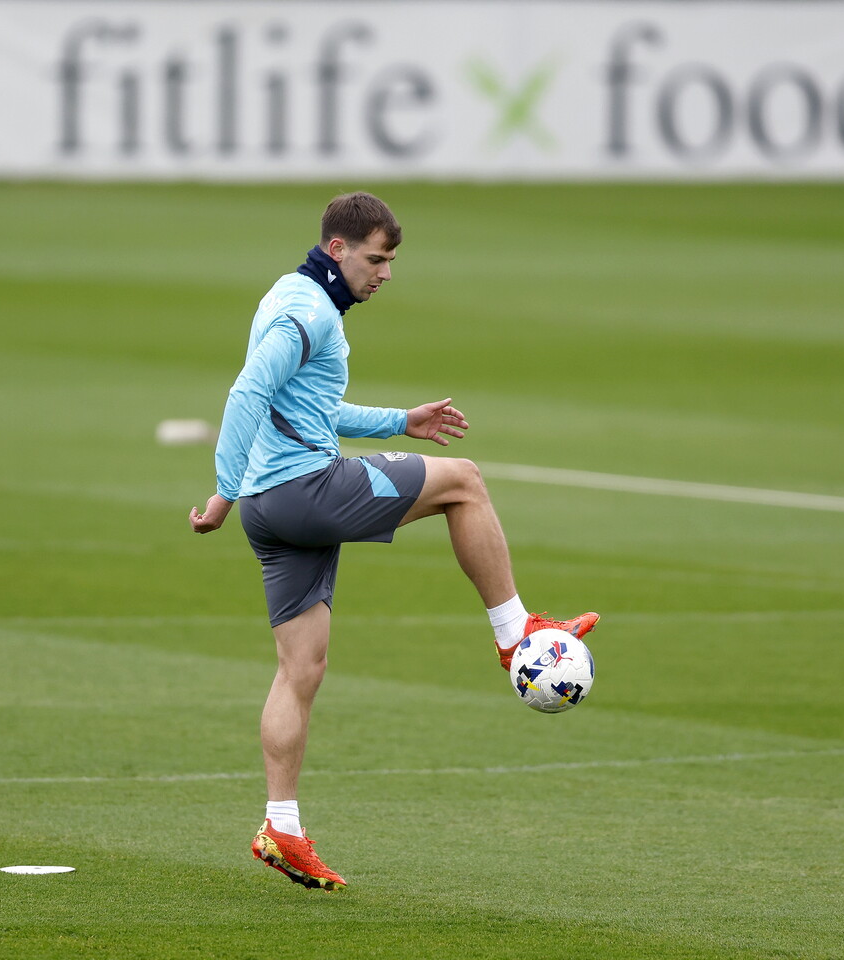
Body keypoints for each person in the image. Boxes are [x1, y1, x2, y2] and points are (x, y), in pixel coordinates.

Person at [189, 191, 598, 891]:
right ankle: (515, 635)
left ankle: (281, 827)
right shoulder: (308, 310)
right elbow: (247, 393)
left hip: (271, 506)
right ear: (339, 249)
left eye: (392, 261)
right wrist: (222, 491)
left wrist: (398, 421)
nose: (386, 273)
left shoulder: (290, 295)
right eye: (377, 259)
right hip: (302, 492)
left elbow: (306, 403)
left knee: (300, 672)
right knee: (464, 481)